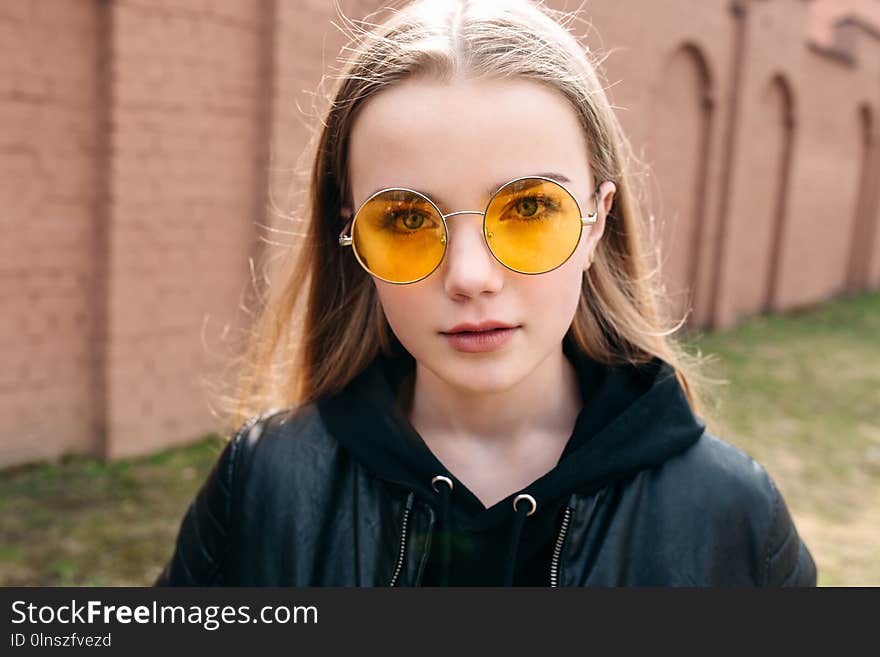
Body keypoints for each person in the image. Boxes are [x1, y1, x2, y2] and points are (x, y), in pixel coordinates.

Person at [154, 0, 816, 587]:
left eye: (529, 208)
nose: (470, 276)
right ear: (352, 239)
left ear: (597, 221)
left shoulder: (734, 517)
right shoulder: (265, 484)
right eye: (408, 219)